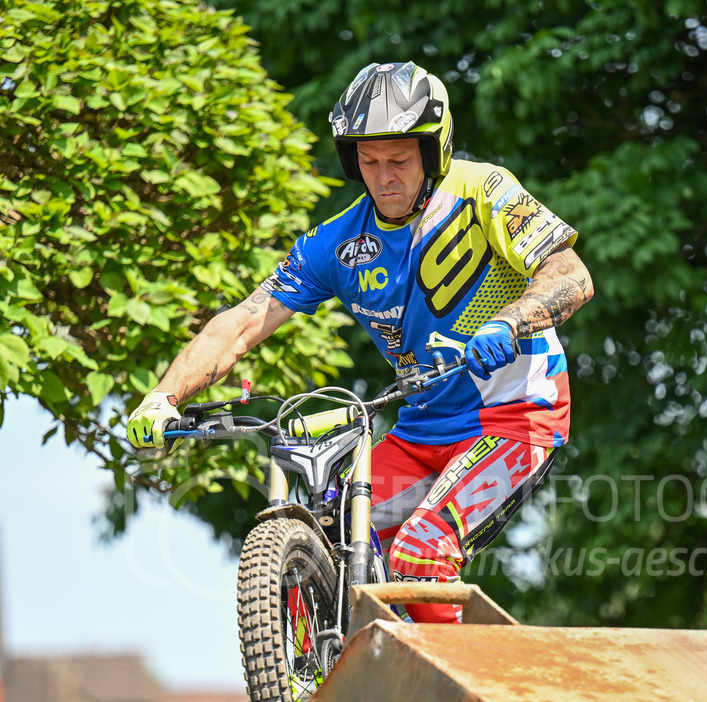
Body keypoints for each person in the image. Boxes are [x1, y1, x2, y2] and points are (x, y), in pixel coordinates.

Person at [127, 60, 594, 623]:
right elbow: (242, 321)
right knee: (330, 536)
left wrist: (512, 321)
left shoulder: (484, 191)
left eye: (398, 160)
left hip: (518, 413)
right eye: (368, 162)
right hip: (422, 430)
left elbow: (572, 275)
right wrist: (164, 397)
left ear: (434, 149)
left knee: (421, 555)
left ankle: (458, 696)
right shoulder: (339, 242)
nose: (383, 177)